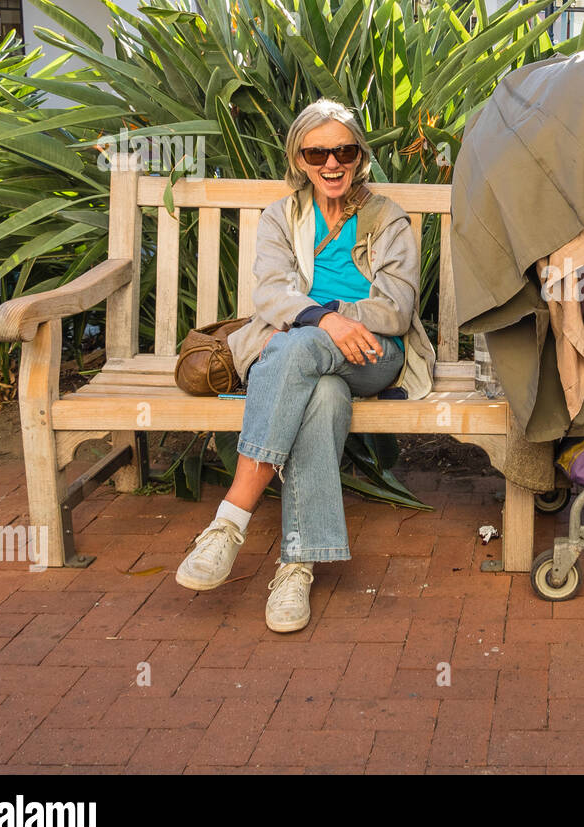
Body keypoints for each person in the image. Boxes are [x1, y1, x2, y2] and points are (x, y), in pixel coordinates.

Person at [174, 99, 435, 632]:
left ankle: (230, 521)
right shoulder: (281, 216)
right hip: (305, 356)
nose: (331, 163)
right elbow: (270, 294)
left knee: (296, 347)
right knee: (322, 395)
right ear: (299, 158)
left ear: (360, 156)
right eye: (318, 152)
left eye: (343, 150)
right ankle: (297, 565)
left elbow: (396, 308)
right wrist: (323, 321)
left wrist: (331, 319)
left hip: (373, 354)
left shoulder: (388, 219)